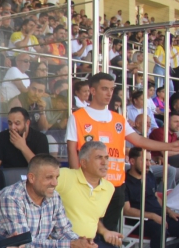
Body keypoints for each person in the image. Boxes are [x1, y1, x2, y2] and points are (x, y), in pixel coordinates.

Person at [66, 73, 179, 234]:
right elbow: (72, 149)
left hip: (116, 185)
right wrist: (76, 180)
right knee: (88, 230)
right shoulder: (77, 117)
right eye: (104, 89)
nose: (109, 93)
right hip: (90, 184)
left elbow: (139, 140)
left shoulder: (118, 118)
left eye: (111, 89)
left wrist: (169, 146)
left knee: (109, 231)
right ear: (93, 90)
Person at [125, 147, 179, 248]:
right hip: (139, 221)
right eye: (144, 160)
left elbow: (155, 196)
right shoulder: (124, 181)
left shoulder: (149, 175)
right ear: (132, 161)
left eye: (149, 160)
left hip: (159, 216)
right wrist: (153, 216)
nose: (148, 164)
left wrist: (168, 211)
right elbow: (127, 210)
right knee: (159, 229)